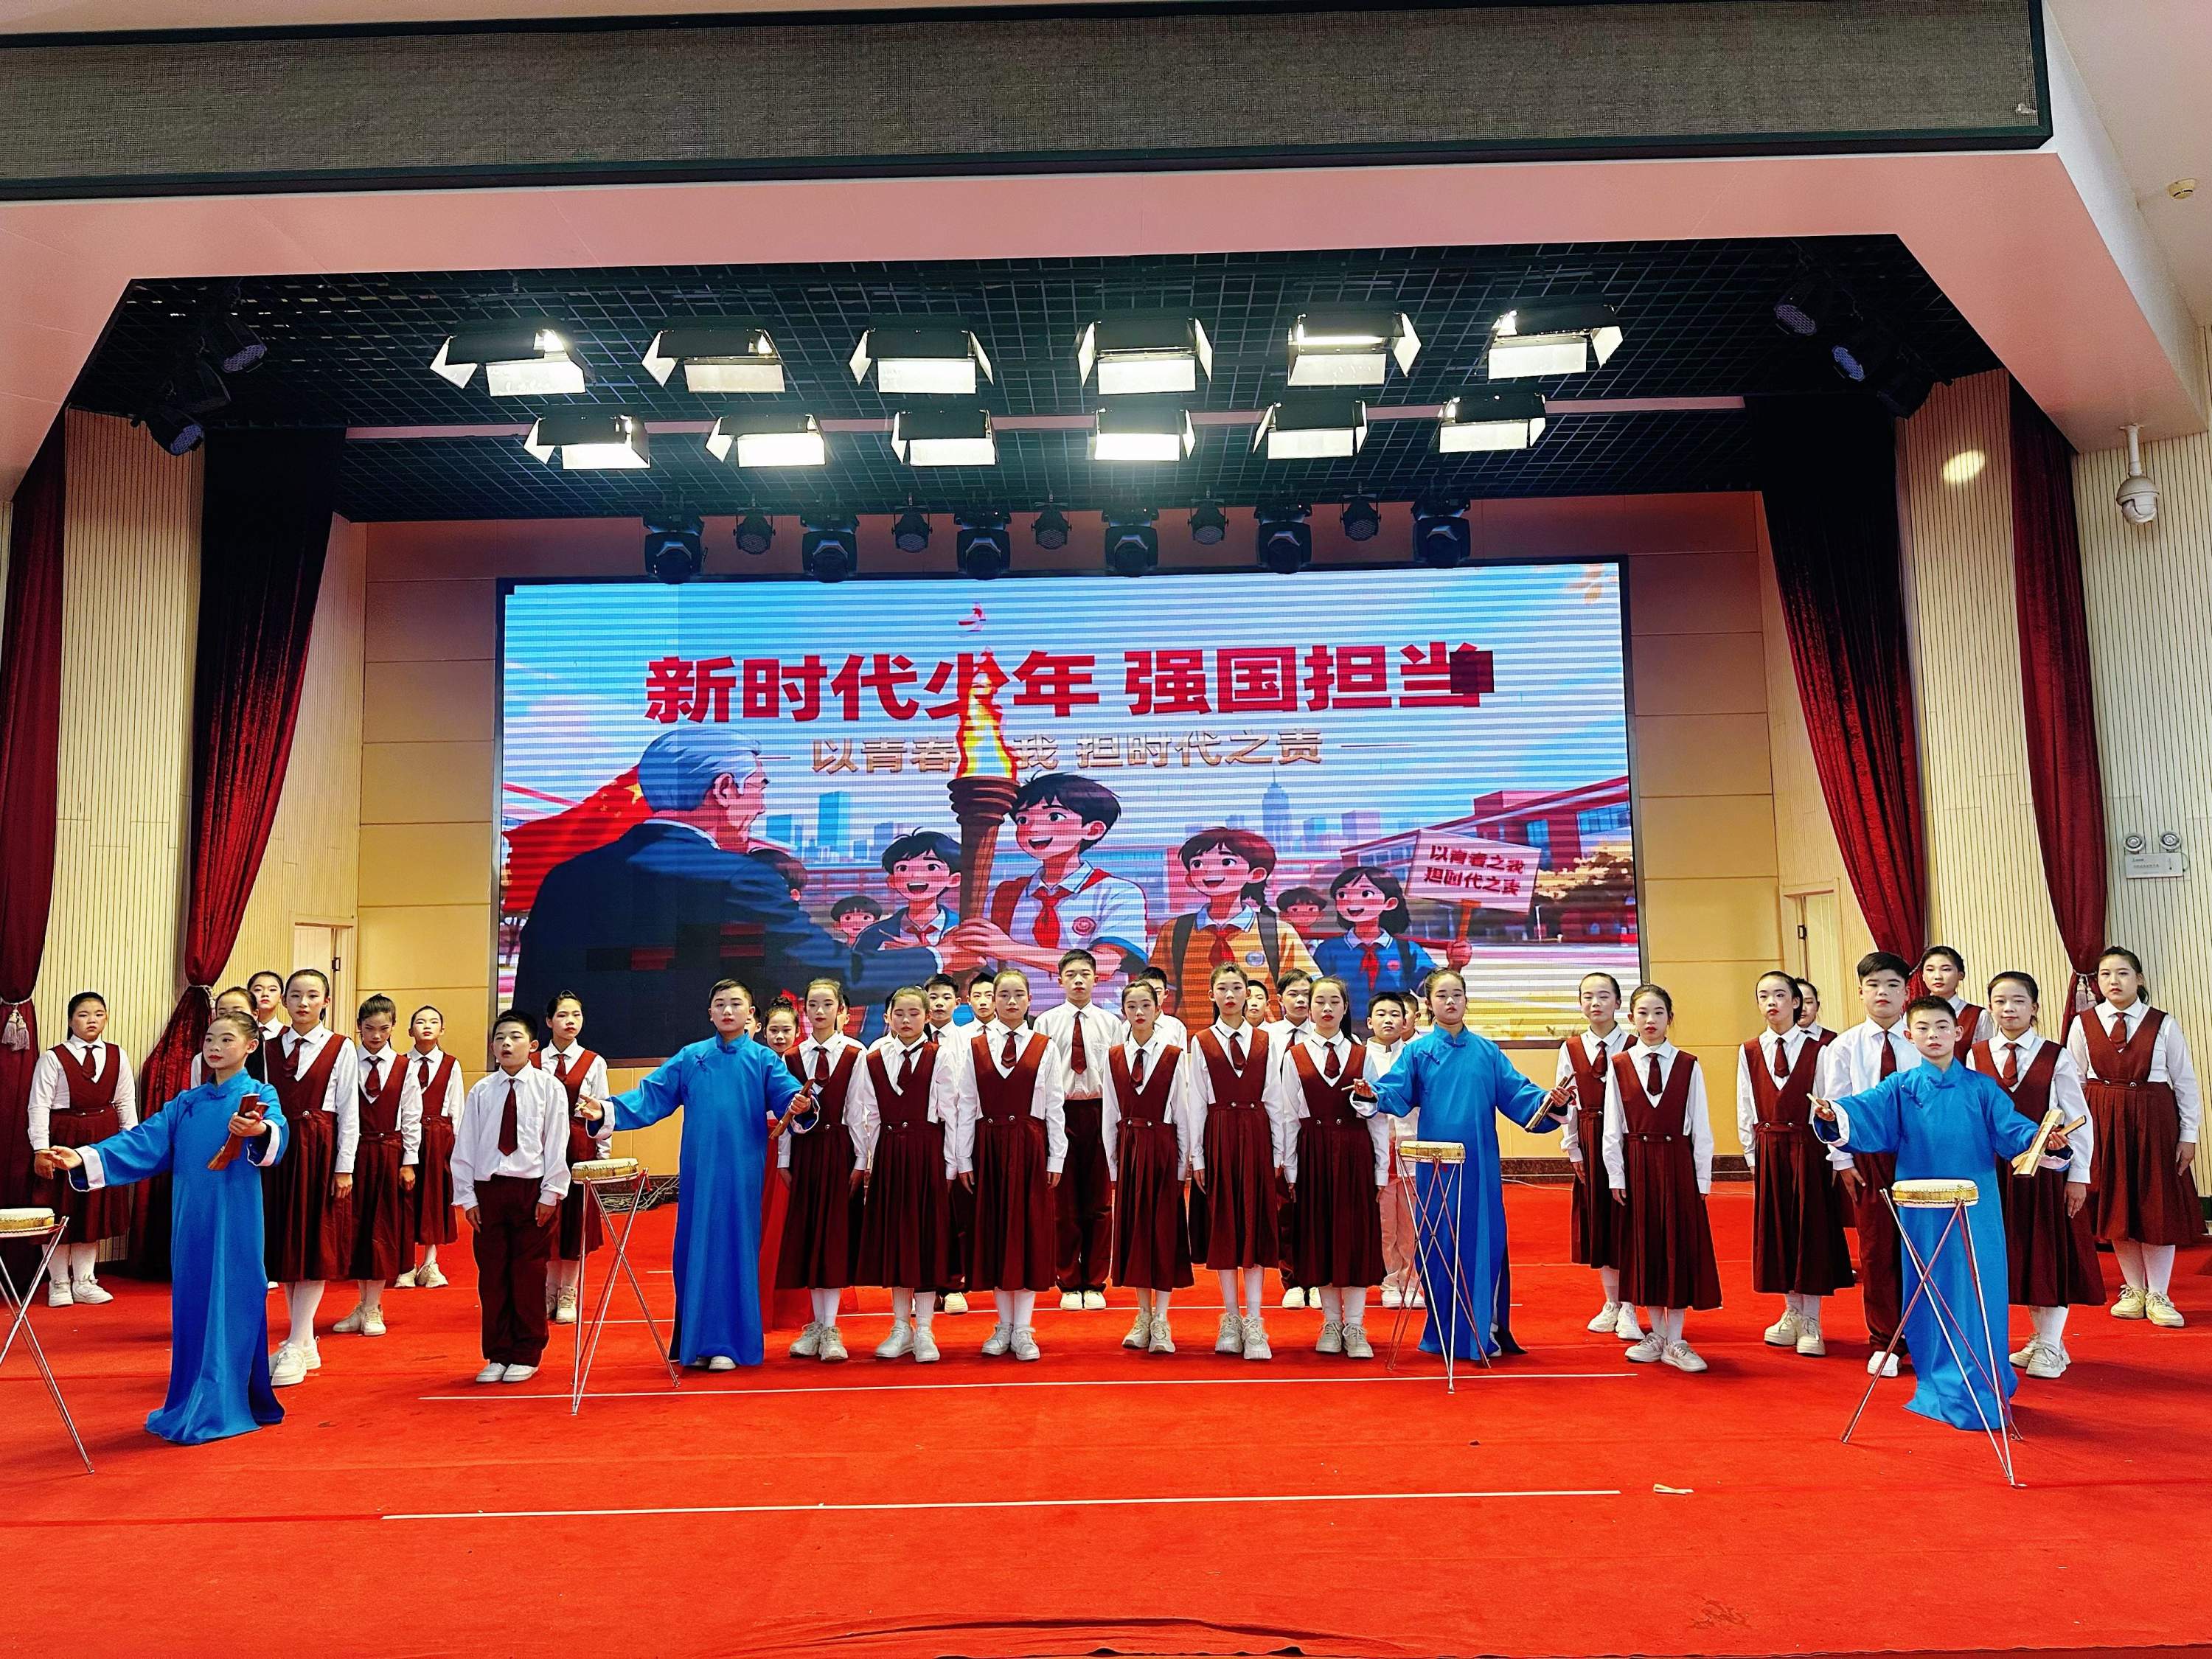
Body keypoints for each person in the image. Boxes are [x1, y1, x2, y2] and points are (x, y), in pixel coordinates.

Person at [512, 729, 953, 1060]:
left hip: (590, 1083)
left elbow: (533, 995)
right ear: (725, 790)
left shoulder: (567, 877)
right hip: (709, 1079)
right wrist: (941, 956)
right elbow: (835, 974)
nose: (762, 805)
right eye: (759, 787)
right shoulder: (739, 879)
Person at [34, 1009, 285, 1444]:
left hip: (237, 1217)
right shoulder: (186, 1103)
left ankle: (226, 1402)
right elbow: (143, 1141)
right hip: (190, 1219)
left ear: (250, 1046)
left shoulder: (260, 1095)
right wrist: (85, 1156)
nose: (215, 1047)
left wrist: (259, 1129)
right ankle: (194, 1397)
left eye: (227, 1040)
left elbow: (275, 1138)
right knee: (192, 1304)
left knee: (234, 1296)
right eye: (210, 1039)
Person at [1812, 998, 2057, 1430]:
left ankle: (1984, 1383)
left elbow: (2014, 1130)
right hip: (1922, 1211)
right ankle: (1940, 1382)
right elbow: (1861, 1112)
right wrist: (1835, 1114)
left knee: (1979, 1293)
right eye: (1923, 1028)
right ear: (1910, 1036)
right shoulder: (1900, 1087)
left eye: (1942, 1026)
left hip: (1976, 1210)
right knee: (1930, 1293)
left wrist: (2042, 1140)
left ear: (1958, 1032)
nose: (1933, 1035)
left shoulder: (1982, 1089)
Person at [579, 980, 804, 1370]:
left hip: (742, 1176)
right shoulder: (691, 1057)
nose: (728, 1011)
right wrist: (606, 1110)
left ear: (751, 1014)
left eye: (736, 1004)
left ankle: (728, 1345)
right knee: (693, 1250)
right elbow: (651, 1095)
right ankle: (696, 1343)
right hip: (699, 1174)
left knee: (734, 1249)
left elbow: (791, 1098)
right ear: (710, 1013)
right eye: (720, 1004)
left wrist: (801, 1105)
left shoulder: (764, 1060)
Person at [1368, 968, 1571, 1361]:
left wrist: (1551, 1102)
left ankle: (1483, 1329)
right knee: (1439, 1246)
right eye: (1442, 995)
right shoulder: (1418, 1052)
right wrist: (1371, 1093)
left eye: (1457, 994)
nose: (1450, 1001)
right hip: (1436, 1170)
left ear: (1466, 1000)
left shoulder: (1487, 1052)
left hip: (1480, 1167)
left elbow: (1520, 1094)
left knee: (1483, 1240)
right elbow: (1394, 1091)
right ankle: (1444, 1333)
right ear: (1428, 1003)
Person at [1971, 971, 2101, 1379]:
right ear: (1990, 1008)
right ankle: (2042, 1338)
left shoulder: (2055, 1056)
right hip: (1994, 1174)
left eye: (2018, 1001)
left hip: (2045, 1173)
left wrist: (2079, 1175)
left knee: (2047, 1253)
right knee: (2015, 1255)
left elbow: (2080, 1118)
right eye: (2000, 1002)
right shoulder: (1975, 1055)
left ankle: (2051, 1344)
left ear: (2035, 1008)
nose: (2009, 1009)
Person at [939, 968, 1068, 1360]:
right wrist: (963, 1158)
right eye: (1004, 995)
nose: (1011, 1002)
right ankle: (1003, 1326)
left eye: (1018, 995)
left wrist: (1057, 1155)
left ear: (1030, 1000)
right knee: (995, 1232)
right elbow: (965, 1104)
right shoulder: (975, 1046)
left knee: (1027, 1233)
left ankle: (1024, 1328)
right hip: (989, 1147)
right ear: (992, 1001)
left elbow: (1054, 1105)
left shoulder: (1045, 1046)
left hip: (1030, 1147)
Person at [2067, 947, 2199, 1328]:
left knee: (2156, 1204)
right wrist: (2078, 1134)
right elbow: (2074, 1083)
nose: (2114, 981)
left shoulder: (2163, 1023)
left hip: (2153, 1117)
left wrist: (2188, 1134)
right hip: (2103, 1117)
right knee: (2117, 1205)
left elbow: (2185, 1082)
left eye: (2123, 973)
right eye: (2105, 974)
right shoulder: (2083, 1023)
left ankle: (2159, 1293)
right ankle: (2134, 1289)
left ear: (2138, 979)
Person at [1270, 976, 1391, 1358]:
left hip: (1355, 1153)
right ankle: (1331, 1322)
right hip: (1314, 1153)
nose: (1326, 1008)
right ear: (1308, 1007)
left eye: (1333, 1001)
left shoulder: (1362, 1055)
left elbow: (1376, 1115)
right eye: (1318, 1001)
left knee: (1354, 1235)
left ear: (1345, 1007)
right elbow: (1288, 1117)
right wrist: (1291, 1169)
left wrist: (1380, 1169)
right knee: (1319, 1234)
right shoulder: (1295, 1056)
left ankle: (1355, 1325)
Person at [1602, 984, 1720, 1373]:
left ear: (1670, 1018)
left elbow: (1701, 1126)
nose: (1650, 1020)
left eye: (1658, 1013)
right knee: (1646, 1247)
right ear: (1631, 1019)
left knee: (1677, 1247)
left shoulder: (1688, 1065)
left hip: (1676, 1163)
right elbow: (1612, 1127)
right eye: (1642, 1013)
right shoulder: (1620, 1065)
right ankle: (1655, 1334)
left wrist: (1702, 1179)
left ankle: (1677, 1339)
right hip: (1637, 1163)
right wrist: (1616, 1175)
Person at [950, 773, 1149, 1005]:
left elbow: (1103, 965)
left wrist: (1010, 949)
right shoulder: (1003, 896)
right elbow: (982, 963)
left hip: (1093, 1019)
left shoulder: (1117, 892)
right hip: (1021, 1018)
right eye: (1023, 820)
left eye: (1054, 816)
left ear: (1093, 829)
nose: (1033, 828)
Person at [1736, 970, 1854, 1357]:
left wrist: (1834, 1154)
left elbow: (1830, 1101)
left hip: (1808, 1147)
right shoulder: (1750, 1050)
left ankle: (1812, 1321)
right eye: (1763, 995)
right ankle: (1791, 1312)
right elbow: (1746, 1106)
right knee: (1779, 1232)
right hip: (1769, 1147)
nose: (1772, 1002)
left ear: (1796, 1002)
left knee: (1810, 1230)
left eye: (1780, 995)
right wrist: (1752, 1155)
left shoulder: (1821, 1047)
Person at [451, 1009, 571, 1385]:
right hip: (490, 1190)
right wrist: (467, 1197)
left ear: (533, 1045)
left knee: (528, 1273)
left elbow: (557, 1143)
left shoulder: (549, 1088)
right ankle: (498, 1352)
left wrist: (551, 1192)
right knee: (492, 1276)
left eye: (515, 1037)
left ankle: (527, 1352)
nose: (506, 1044)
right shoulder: (482, 1091)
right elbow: (466, 1144)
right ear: (492, 1047)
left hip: (530, 1189)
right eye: (500, 1038)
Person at [1818, 951, 1918, 1376]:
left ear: (1907, 992)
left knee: (1924, 1250)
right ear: (1860, 992)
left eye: (1893, 985)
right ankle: (1886, 1342)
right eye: (1874, 985)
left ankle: (1929, 1338)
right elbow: (1834, 1107)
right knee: (1877, 1253)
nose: (1883, 994)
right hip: (1870, 1158)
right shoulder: (1843, 1046)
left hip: (1921, 1156)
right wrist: (1842, 1160)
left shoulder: (1924, 1038)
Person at [263, 968, 361, 1388]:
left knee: (313, 1242)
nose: (303, 1003)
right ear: (284, 1001)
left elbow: (350, 1111)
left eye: (312, 995)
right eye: (296, 995)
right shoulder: (267, 1048)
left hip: (320, 1149)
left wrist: (345, 1166)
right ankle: (301, 1340)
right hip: (279, 1149)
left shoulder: (341, 1047)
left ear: (326, 1001)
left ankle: (298, 1339)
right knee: (286, 1246)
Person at [848, 987, 953, 1363]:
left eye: (914, 1013)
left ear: (927, 1017)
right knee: (896, 1241)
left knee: (924, 1241)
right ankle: (899, 1327)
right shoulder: (874, 1058)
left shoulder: (941, 1056)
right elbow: (868, 1115)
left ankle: (924, 1329)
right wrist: (869, 1161)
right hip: (891, 1155)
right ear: (887, 1017)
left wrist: (951, 1164)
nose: (906, 1021)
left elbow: (952, 1113)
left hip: (928, 1154)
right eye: (899, 1014)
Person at [27, 990, 138, 1307]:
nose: (92, 1021)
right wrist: (41, 1149)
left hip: (103, 1137)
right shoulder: (53, 1058)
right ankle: (59, 1283)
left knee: (93, 1210)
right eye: (84, 1015)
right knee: (61, 1209)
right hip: (63, 1136)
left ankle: (85, 1281)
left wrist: (130, 1144)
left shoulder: (117, 1055)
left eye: (99, 1014)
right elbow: (38, 1105)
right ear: (70, 1020)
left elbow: (125, 1102)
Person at [1102, 977, 1192, 1354]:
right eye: (1131, 1006)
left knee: (1163, 1233)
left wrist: (1182, 1165)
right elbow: (1110, 1114)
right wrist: (1114, 1167)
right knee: (1136, 1233)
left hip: (1163, 1149)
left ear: (1158, 1009)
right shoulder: (1113, 1056)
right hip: (1130, 1149)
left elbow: (1183, 1112)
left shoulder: (1174, 1055)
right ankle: (1142, 1315)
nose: (1139, 1012)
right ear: (1123, 1011)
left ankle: (1163, 1320)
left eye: (1145, 1005)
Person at [778, 978, 866, 1362]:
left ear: (841, 1011)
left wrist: (862, 1160)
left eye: (827, 1004)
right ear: (804, 1010)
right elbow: (784, 1110)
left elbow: (861, 1111)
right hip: (805, 1151)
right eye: (812, 1004)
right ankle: (815, 1324)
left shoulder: (856, 1054)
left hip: (841, 1150)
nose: (819, 1011)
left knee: (833, 1237)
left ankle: (831, 1327)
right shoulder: (792, 1057)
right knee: (809, 1235)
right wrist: (784, 1160)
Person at [1032, 948, 1125, 1310]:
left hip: (1101, 1111)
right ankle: (1069, 1281)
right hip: (1060, 1112)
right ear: (1059, 981)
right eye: (1071, 975)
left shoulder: (1111, 1022)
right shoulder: (1046, 1023)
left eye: (1085, 974)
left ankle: (1096, 1281)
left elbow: (1117, 1076)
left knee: (1100, 1201)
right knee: (1063, 1202)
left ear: (1096, 979)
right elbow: (1039, 1078)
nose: (1078, 981)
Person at [1147, 827, 1317, 1017]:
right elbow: (1159, 991)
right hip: (1194, 1033)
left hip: (1261, 1033)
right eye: (1198, 864)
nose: (1210, 870)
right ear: (1190, 878)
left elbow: (1309, 988)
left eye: (1227, 862)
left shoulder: (1278, 932)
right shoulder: (1175, 931)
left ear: (1256, 874)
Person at [332, 996, 420, 1340]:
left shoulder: (404, 1066)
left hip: (388, 1153)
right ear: (359, 1027)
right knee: (355, 1230)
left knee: (382, 1229)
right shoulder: (346, 1062)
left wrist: (409, 1161)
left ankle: (374, 1306)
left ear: (394, 1027)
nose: (376, 1036)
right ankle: (361, 1304)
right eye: (369, 1029)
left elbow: (412, 1117)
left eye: (384, 1029)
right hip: (353, 1153)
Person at [1555, 971, 1635, 1341]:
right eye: (1588, 996)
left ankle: (1631, 1304)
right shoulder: (1571, 1048)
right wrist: (1573, 1147)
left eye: (1604, 996)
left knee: (1627, 1221)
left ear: (1618, 1002)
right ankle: (1612, 1302)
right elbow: (1567, 1103)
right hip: (1589, 1136)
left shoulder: (1634, 1044)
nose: (1596, 1003)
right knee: (1599, 1219)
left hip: (1628, 1141)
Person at [535, 991, 611, 1326]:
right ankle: (548, 1290)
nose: (570, 1021)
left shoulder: (594, 1061)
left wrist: (601, 1156)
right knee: (547, 1220)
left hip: (579, 1146)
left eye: (576, 1015)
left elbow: (603, 1110)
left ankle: (569, 1291)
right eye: (563, 1015)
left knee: (574, 1224)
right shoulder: (534, 1060)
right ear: (549, 1021)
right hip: (541, 1148)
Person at [1310, 866, 1440, 1030]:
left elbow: (1433, 989)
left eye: (1365, 894)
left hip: (1393, 1031)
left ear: (1390, 903)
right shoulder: (1328, 950)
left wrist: (1456, 963)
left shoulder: (1406, 950)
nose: (1351, 901)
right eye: (1342, 895)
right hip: (1344, 1031)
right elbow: (1314, 994)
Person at [395, 1005, 465, 1290]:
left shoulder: (451, 1065)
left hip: (438, 1136)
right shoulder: (400, 1063)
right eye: (420, 1022)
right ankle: (406, 1264)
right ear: (409, 1030)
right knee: (405, 1197)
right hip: (406, 1135)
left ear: (442, 1030)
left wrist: (459, 1151)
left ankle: (430, 1262)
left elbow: (457, 1108)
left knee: (434, 1198)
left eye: (433, 1022)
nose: (427, 1026)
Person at [1366, 992, 1422, 1310]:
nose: (1388, 1020)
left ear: (1405, 1021)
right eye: (1381, 1014)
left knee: (1412, 1222)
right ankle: (1388, 1282)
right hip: (1378, 1151)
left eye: (1395, 1014)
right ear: (1369, 1021)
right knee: (1384, 1223)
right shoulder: (1360, 1055)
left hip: (1413, 1146)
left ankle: (1412, 1282)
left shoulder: (1417, 1055)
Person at [1918, 946, 1992, 1049]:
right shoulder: (1913, 1014)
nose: (1938, 976)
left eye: (1946, 969)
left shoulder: (1978, 1016)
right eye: (1930, 970)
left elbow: (1985, 1055)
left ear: (1961, 975)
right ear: (1923, 976)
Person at [1793, 980, 1835, 1047]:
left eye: (1808, 1002)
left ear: (1817, 1006)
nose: (1802, 1008)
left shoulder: (1832, 1039)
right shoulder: (1779, 1040)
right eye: (1795, 1003)